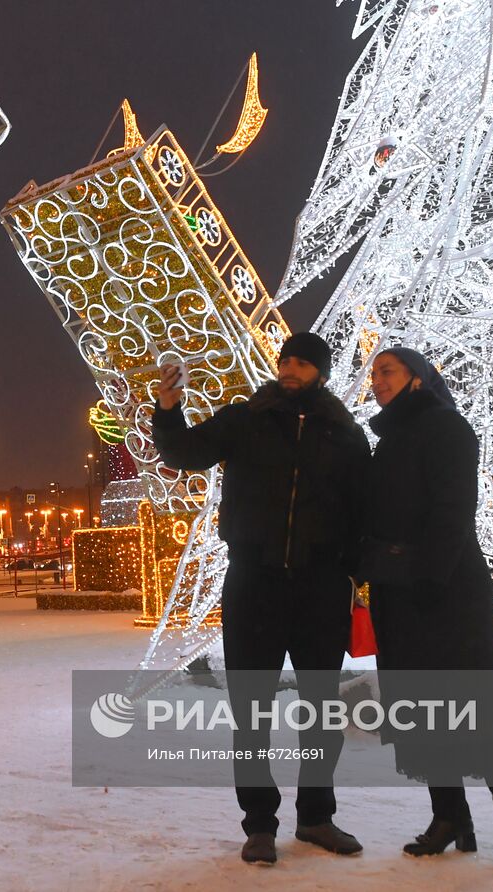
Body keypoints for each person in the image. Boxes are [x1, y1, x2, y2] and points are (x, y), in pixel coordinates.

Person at [152, 332, 371, 866]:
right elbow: (184, 453)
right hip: (255, 582)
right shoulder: (246, 418)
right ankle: (259, 825)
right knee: (251, 712)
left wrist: (353, 573)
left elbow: (363, 510)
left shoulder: (344, 435)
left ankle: (317, 816)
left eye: (302, 363)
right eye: (286, 361)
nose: (290, 369)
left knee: (321, 710)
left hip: (320, 587)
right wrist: (167, 410)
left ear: (320, 371)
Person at [362, 347, 493, 870]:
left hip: (446, 592)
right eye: (373, 374)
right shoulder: (389, 438)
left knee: (476, 707)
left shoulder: (447, 427)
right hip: (400, 592)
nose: (376, 381)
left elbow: (454, 510)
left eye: (387, 371)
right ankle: (449, 818)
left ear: (417, 379)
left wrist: (428, 576)